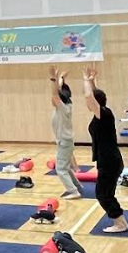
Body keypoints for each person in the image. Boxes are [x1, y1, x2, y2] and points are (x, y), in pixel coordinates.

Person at [83, 64, 128, 233]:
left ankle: (120, 223)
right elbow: (95, 96)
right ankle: (120, 221)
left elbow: (90, 97)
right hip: (108, 160)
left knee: (103, 194)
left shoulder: (104, 114)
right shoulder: (103, 112)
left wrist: (86, 81)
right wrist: (93, 81)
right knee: (105, 192)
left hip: (110, 161)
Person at [49, 67, 82, 200]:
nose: (51, 99)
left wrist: (53, 78)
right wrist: (60, 79)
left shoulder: (62, 108)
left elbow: (55, 95)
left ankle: (74, 191)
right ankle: (76, 185)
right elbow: (59, 93)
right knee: (66, 167)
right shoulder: (66, 105)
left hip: (64, 142)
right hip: (66, 141)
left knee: (60, 169)